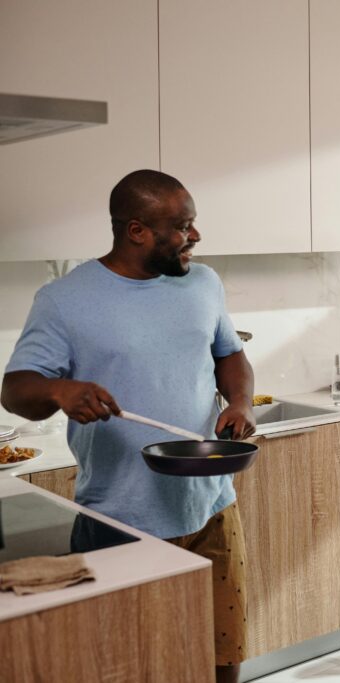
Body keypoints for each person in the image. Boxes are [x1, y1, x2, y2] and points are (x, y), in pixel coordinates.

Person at [0, 169, 256, 683]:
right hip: (120, 519)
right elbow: (15, 390)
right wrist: (59, 390)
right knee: (129, 663)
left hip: (211, 507)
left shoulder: (204, 283)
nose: (196, 237)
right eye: (183, 226)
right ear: (137, 231)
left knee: (222, 652)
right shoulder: (64, 299)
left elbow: (230, 354)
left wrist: (242, 402)